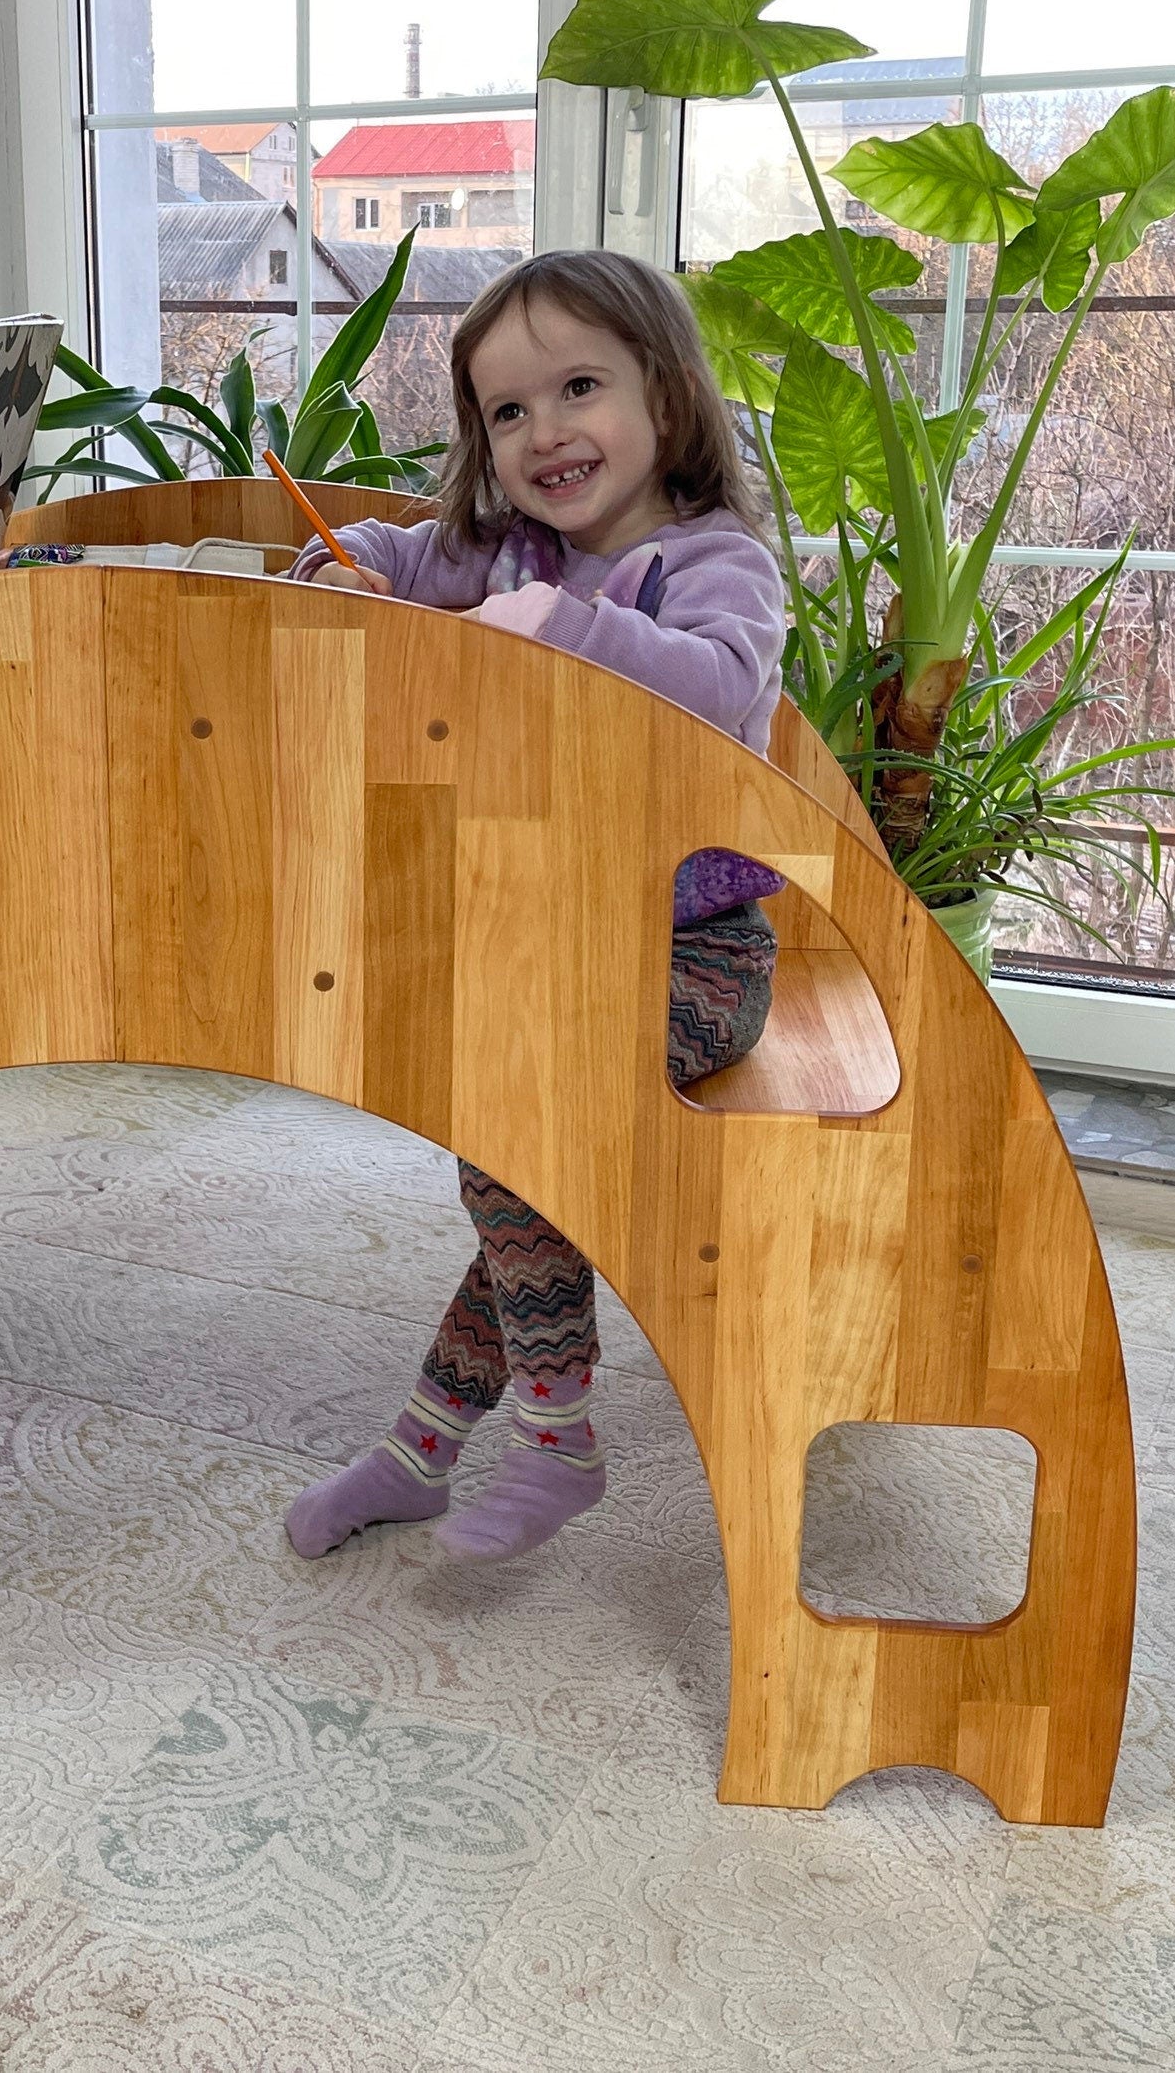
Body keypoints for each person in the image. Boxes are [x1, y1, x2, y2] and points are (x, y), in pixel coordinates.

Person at [283, 247, 789, 1565]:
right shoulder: (511, 550)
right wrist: (348, 567)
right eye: (509, 411)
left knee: (513, 1112)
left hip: (701, 957)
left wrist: (556, 626)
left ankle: (552, 1437)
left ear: (666, 401)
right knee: (526, 1147)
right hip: (576, 940)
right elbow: (403, 548)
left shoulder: (717, 565)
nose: (547, 432)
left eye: (579, 388)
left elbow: (719, 692)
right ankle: (422, 1446)